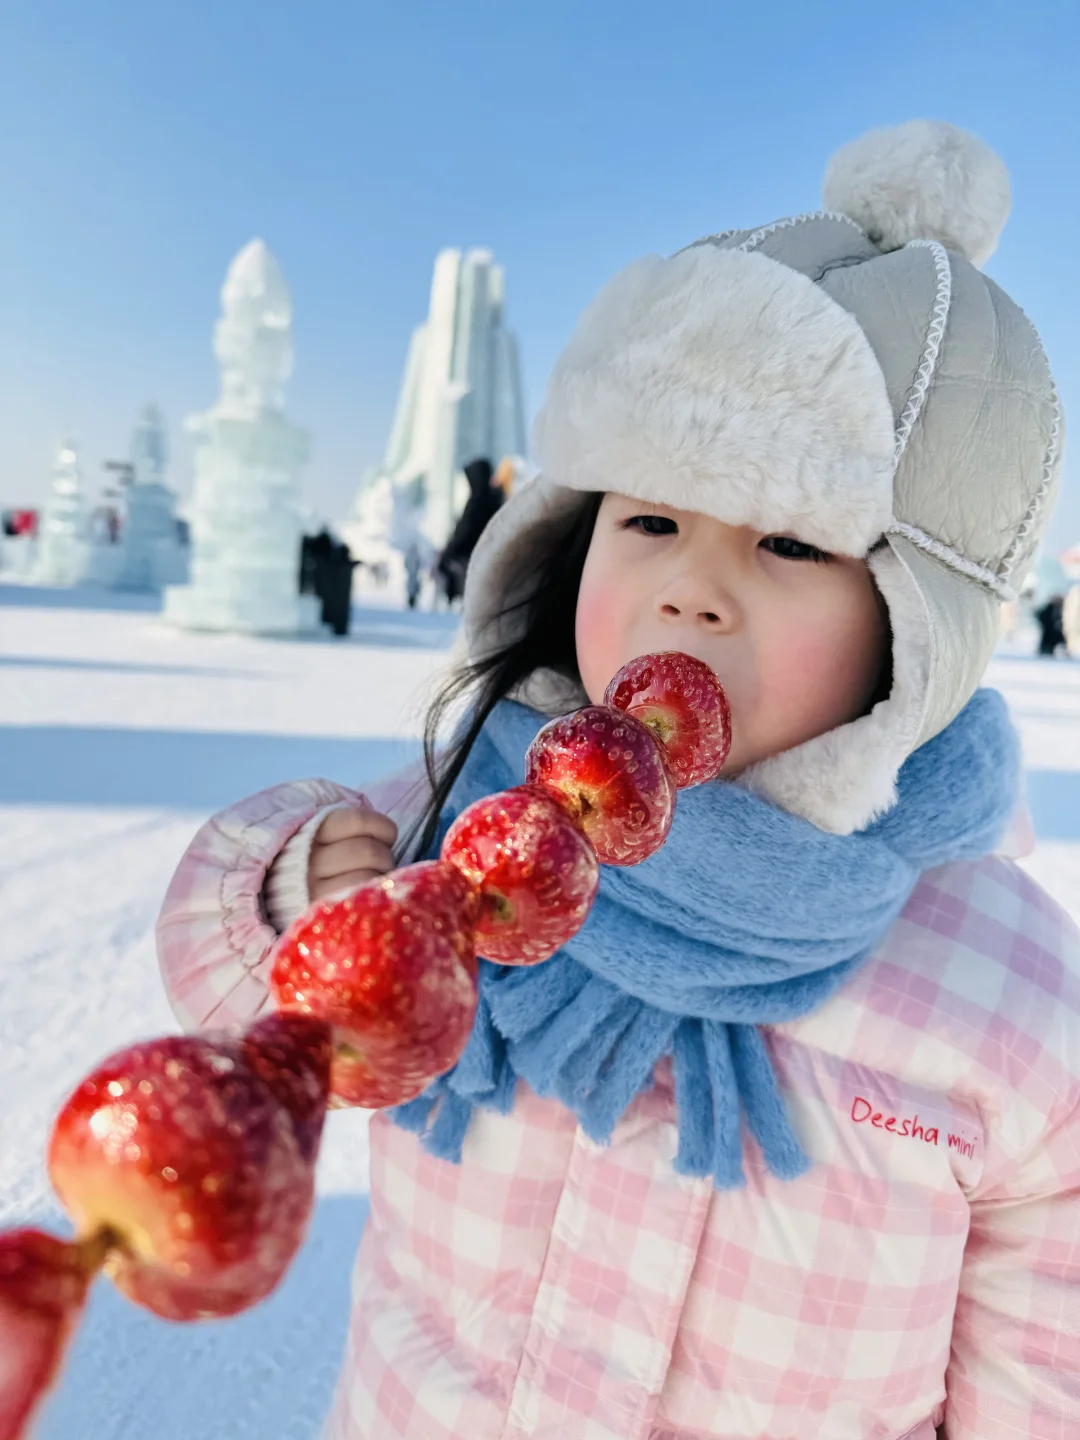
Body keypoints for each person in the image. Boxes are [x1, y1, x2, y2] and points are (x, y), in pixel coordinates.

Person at [156, 121, 1078, 1439]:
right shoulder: (462, 818)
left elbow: (1044, 1363)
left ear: (913, 627)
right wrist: (290, 888)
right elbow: (226, 997)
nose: (689, 593)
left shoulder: (1000, 989)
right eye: (648, 521)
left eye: (787, 543)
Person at [435, 456, 505, 606]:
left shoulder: (476, 502)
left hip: (471, 562)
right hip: (491, 562)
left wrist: (447, 554)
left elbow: (463, 532)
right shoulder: (496, 500)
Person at [1035, 592, 1067, 656]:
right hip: (1049, 630)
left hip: (1053, 630)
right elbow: (1041, 616)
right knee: (1047, 644)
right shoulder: (1049, 608)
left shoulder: (1059, 608)